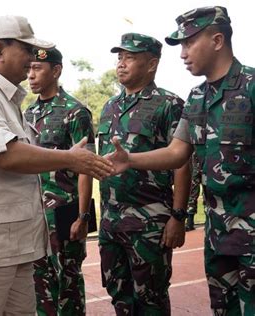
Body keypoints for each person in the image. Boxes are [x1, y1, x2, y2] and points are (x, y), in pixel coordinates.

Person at [0, 15, 114, 316]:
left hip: (9, 242)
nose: (31, 59)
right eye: (26, 50)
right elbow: (6, 155)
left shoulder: (4, 98)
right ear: (0, 50)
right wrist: (70, 158)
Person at [108, 7, 255, 315]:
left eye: (189, 43)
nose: (183, 53)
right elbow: (177, 152)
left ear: (217, 40)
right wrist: (130, 160)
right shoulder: (197, 96)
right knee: (223, 309)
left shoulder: (252, 87)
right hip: (218, 233)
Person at [97, 33, 191, 315]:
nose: (121, 63)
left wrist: (178, 216)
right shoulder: (109, 107)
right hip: (111, 221)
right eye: (119, 57)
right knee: (120, 297)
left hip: (149, 223)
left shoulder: (168, 104)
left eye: (130, 57)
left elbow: (183, 162)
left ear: (151, 64)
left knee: (151, 300)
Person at [24, 47, 93, 316]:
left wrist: (83, 216)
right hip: (35, 213)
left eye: (37, 69)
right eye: (28, 69)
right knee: (39, 284)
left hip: (65, 212)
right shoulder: (28, 113)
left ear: (56, 71)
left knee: (68, 283)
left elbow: (86, 167)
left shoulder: (76, 112)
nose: (30, 75)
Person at [186, 153, 202, 231]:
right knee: (192, 192)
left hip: (203, 165)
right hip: (196, 166)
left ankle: (190, 222)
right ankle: (189, 222)